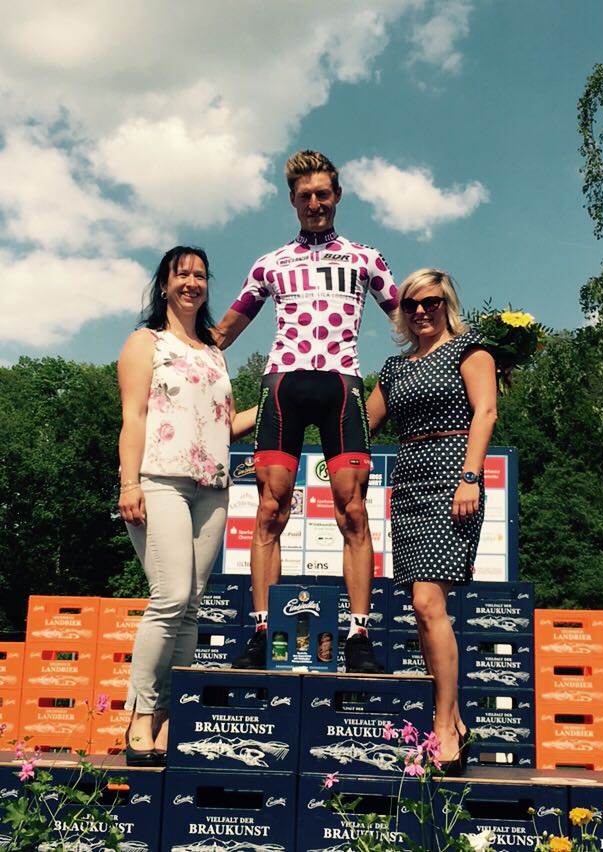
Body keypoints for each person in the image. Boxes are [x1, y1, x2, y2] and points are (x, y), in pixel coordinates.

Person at [214, 150, 398, 673]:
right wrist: (169, 353)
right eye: (304, 196)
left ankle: (358, 636)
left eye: (322, 194)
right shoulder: (269, 263)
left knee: (354, 512)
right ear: (292, 201)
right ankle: (261, 631)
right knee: (269, 511)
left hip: (342, 384)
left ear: (337, 196)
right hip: (283, 386)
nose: (314, 203)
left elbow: (411, 318)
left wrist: (469, 353)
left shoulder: (367, 258)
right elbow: (223, 332)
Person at [117, 245, 256, 766]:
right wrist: (129, 483)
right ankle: (141, 713)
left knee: (192, 605)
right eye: (182, 274)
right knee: (170, 597)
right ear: (164, 284)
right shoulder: (145, 342)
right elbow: (133, 416)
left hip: (212, 487)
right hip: (160, 480)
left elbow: (227, 423)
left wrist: (280, 399)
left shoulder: (214, 351)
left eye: (200, 274)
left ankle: (170, 716)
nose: (192, 282)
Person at [366, 268, 497, 771]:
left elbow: (485, 413)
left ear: (447, 305)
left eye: (432, 302)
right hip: (408, 483)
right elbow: (360, 424)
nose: (421, 311)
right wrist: (290, 405)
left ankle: (442, 728)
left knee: (427, 601)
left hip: (453, 477)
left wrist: (470, 476)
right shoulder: (394, 368)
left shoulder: (470, 350)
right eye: (411, 304)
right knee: (423, 612)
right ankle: (456, 723)